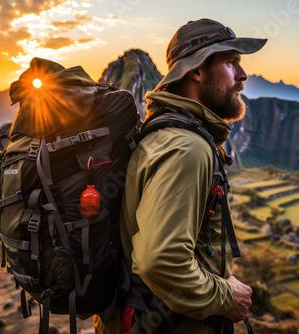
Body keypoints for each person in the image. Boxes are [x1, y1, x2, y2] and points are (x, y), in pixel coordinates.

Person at [94, 18, 267, 333]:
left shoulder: (163, 129)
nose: (243, 75)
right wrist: (226, 297)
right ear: (197, 71)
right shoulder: (187, 148)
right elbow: (159, 260)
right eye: (231, 63)